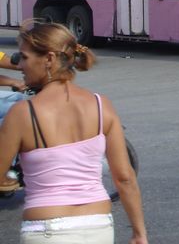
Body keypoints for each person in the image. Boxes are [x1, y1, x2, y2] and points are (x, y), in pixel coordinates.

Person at [0, 22, 148, 243]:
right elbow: (125, 178)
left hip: (46, 230)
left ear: (49, 59)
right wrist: (139, 233)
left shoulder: (23, 114)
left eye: (24, 57)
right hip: (99, 227)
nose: (19, 65)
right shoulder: (101, 105)